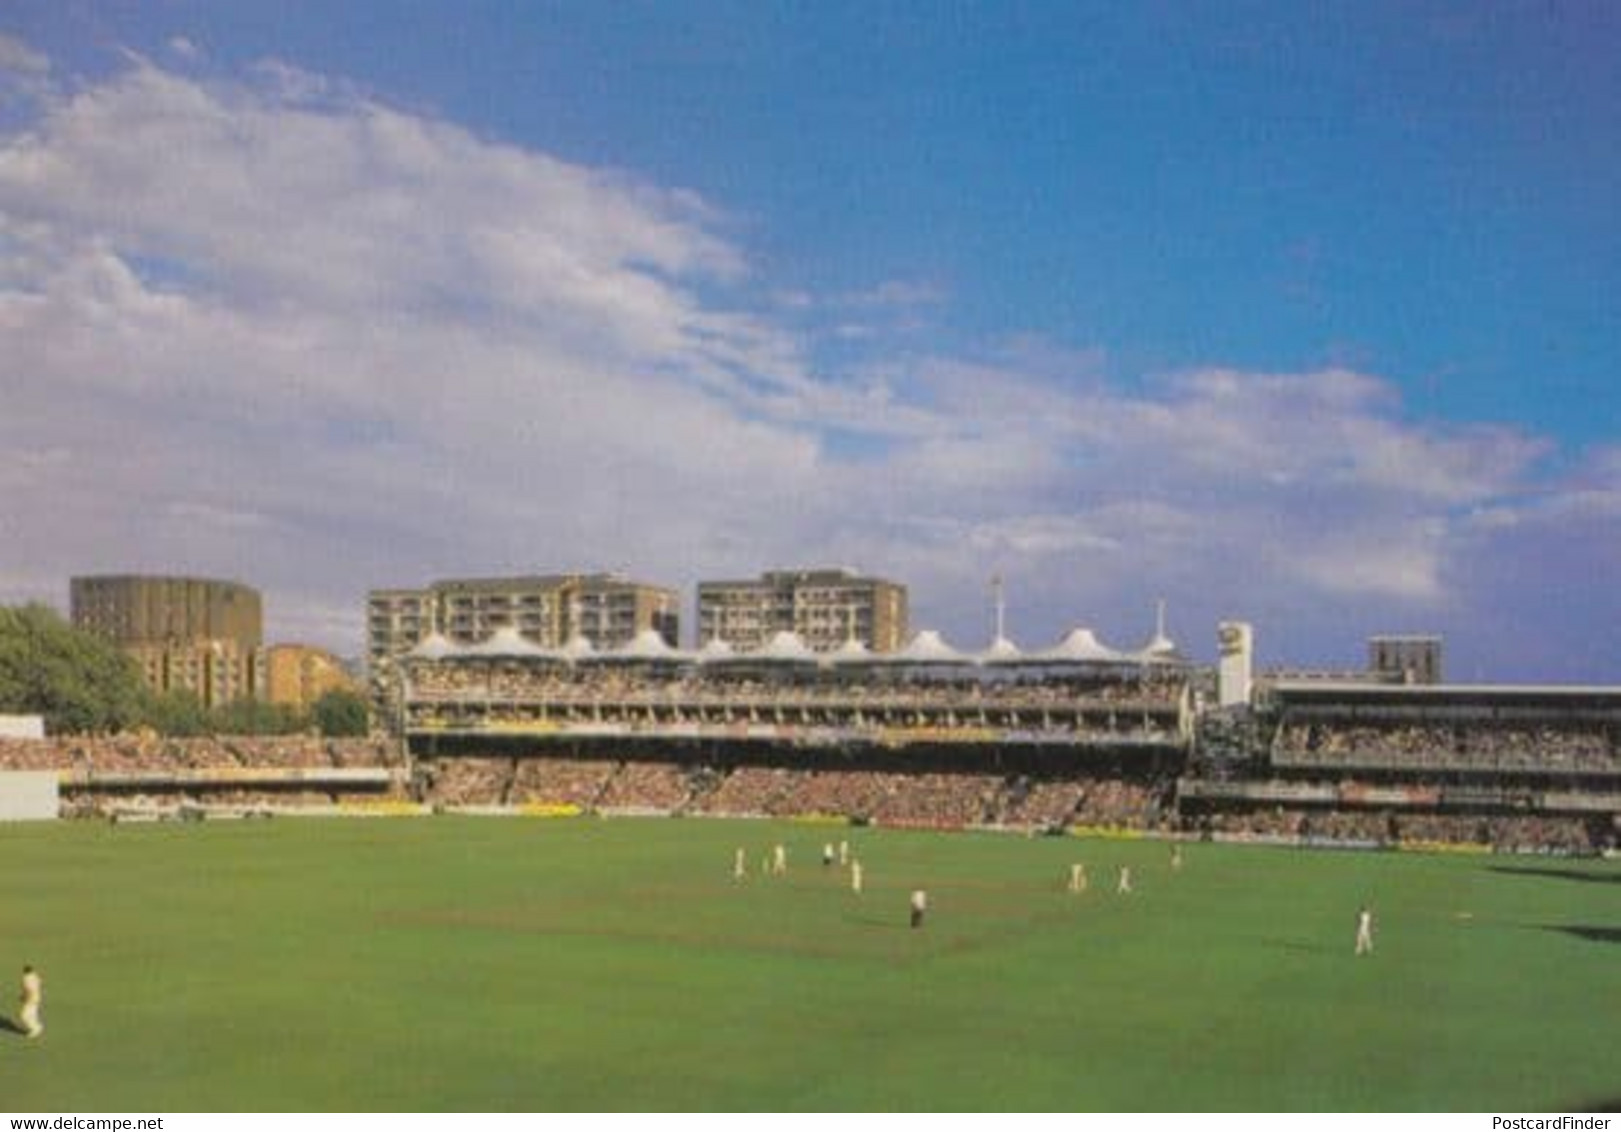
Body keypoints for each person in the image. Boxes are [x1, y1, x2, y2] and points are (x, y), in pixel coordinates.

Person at [18, 965, 42, 1039]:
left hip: (30, 1000)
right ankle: (36, 1027)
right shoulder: (35, 976)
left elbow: (29, 990)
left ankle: (35, 1029)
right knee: (33, 1015)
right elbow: (39, 982)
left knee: (23, 1016)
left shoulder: (26, 979)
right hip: (37, 998)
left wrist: (24, 997)